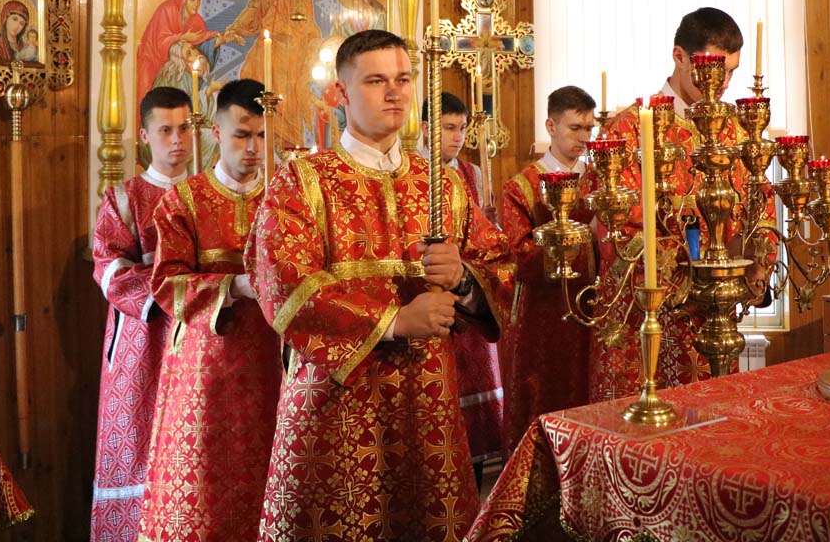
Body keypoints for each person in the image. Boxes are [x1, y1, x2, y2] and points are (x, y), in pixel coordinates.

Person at [248, 30, 513, 541]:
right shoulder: (303, 180)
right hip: (336, 404)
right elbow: (283, 288)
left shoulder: (443, 184)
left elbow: (499, 269)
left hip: (428, 403)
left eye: (403, 79)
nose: (394, 93)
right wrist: (394, 321)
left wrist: (464, 278)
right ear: (340, 94)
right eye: (375, 81)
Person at [586, 7, 770, 401]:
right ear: (679, 57)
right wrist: (692, 266)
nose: (723, 84)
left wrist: (757, 261)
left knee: (714, 420)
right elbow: (617, 227)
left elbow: (760, 202)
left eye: (731, 72)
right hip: (645, 319)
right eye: (712, 69)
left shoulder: (737, 130)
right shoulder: (628, 129)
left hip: (716, 319)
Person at [139, 79, 281, 542]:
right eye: (242, 135)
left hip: (274, 365)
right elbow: (167, 283)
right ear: (217, 133)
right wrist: (236, 285)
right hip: (206, 371)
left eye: (262, 136)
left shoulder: (284, 201)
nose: (253, 148)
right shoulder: (184, 201)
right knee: (205, 489)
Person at [89, 87, 192, 542]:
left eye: (184, 128)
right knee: (137, 441)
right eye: (166, 130)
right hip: (142, 343)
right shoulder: (124, 198)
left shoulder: (204, 194)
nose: (177, 140)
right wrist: (179, 288)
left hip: (197, 339)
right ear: (146, 136)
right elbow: (109, 268)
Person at [499, 85, 597, 451]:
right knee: (544, 400)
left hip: (594, 308)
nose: (584, 138)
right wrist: (585, 237)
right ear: (551, 126)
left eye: (589, 129)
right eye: (575, 128)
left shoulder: (599, 181)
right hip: (542, 316)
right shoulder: (521, 187)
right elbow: (519, 255)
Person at [420, 91, 505, 477]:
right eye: (449, 128)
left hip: (469, 304)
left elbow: (488, 245)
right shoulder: (415, 177)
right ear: (426, 130)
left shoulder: (472, 174)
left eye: (462, 128)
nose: (457, 137)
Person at [217, 0, 319, 152]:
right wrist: (235, 27)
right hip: (271, 39)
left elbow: (303, 7)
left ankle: (289, 147)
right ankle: (264, 139)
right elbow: (254, 7)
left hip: (291, 42)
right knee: (250, 73)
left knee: (285, 96)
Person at [136, 0, 216, 101]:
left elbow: (202, 38)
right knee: (147, 97)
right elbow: (159, 43)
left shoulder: (196, 20)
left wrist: (221, 37)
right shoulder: (166, 10)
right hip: (150, 59)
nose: (196, 3)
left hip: (174, 66)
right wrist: (182, 37)